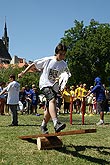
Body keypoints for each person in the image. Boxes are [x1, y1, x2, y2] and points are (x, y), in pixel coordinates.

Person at [18, 43, 71, 133]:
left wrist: (62, 84)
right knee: (52, 100)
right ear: (56, 53)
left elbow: (66, 76)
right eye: (61, 54)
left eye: (64, 54)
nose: (62, 56)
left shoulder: (64, 64)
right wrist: (23, 73)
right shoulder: (48, 60)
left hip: (54, 86)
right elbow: (33, 65)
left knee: (50, 108)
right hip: (44, 84)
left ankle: (43, 126)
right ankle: (56, 123)